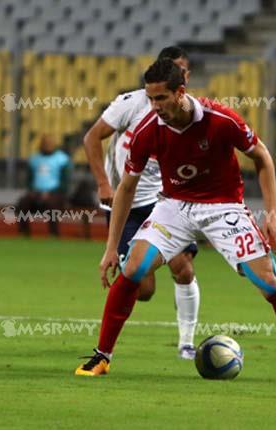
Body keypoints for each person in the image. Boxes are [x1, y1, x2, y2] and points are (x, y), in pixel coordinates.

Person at [75, 59, 276, 384]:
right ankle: (102, 357)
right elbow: (126, 188)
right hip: (173, 207)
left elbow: (262, 157)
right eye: (150, 98)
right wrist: (109, 249)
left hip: (224, 207)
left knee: (268, 282)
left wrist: (272, 213)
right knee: (133, 268)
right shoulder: (148, 130)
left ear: (180, 92)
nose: (154, 106)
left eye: (161, 98)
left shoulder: (220, 119)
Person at [83, 47, 199, 359]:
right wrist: (104, 183)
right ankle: (143, 261)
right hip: (127, 204)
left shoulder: (190, 113)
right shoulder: (131, 104)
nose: (183, 74)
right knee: (143, 288)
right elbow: (92, 138)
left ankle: (186, 343)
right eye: (177, 69)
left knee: (183, 267)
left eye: (185, 71)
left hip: (164, 203)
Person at [17, 134, 71, 237]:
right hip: (36, 192)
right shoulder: (34, 159)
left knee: (52, 204)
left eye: (49, 143)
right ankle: (24, 232)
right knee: (22, 202)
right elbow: (29, 180)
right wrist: (32, 191)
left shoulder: (62, 159)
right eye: (45, 143)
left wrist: (51, 192)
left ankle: (53, 233)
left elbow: (65, 182)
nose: (47, 145)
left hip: (55, 193)